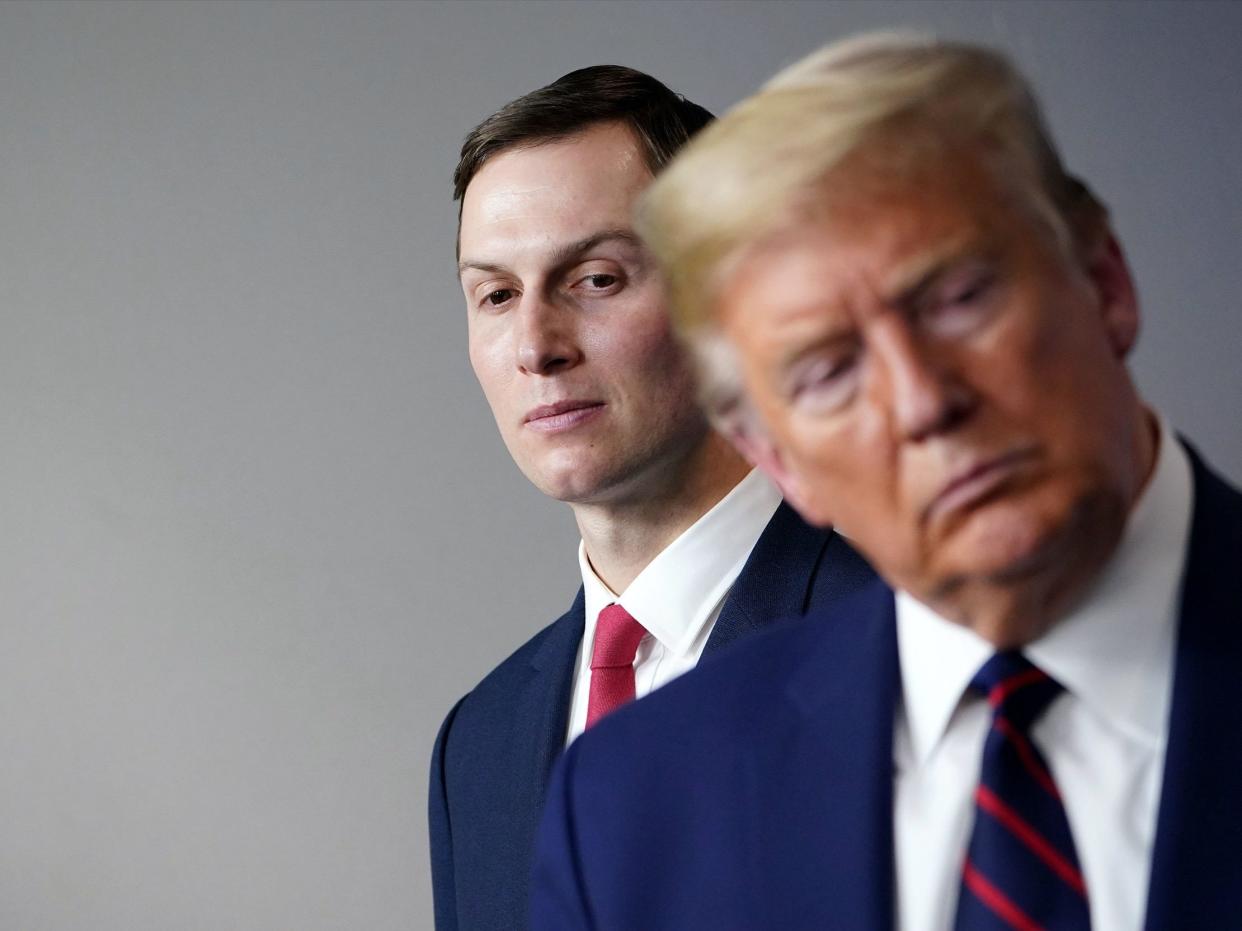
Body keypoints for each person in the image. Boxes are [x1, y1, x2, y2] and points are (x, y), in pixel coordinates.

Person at [531, 34, 1242, 930]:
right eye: (827, 371)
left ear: (1104, 283)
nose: (922, 400)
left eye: (959, 298)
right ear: (779, 459)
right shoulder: (635, 809)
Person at [429, 65, 874, 931]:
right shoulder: (476, 749)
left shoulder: (924, 649)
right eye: (496, 294)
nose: (535, 345)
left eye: (594, 278)